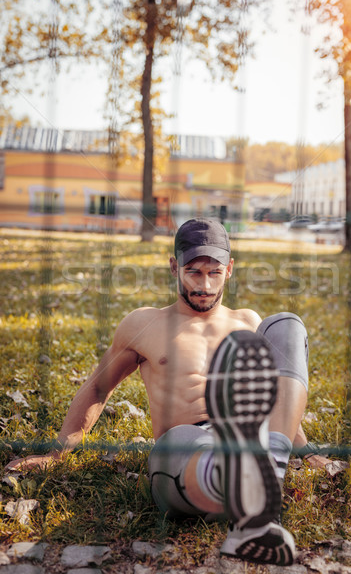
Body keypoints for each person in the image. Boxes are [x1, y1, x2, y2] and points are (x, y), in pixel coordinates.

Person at [6, 218, 324, 566]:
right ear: (174, 266)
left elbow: (275, 394)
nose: (204, 285)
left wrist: (308, 454)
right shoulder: (145, 323)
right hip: (184, 447)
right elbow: (98, 387)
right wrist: (57, 454)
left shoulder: (248, 321)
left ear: (230, 269)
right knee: (196, 447)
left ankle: (264, 475)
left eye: (214, 273)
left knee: (286, 326)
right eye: (193, 271)